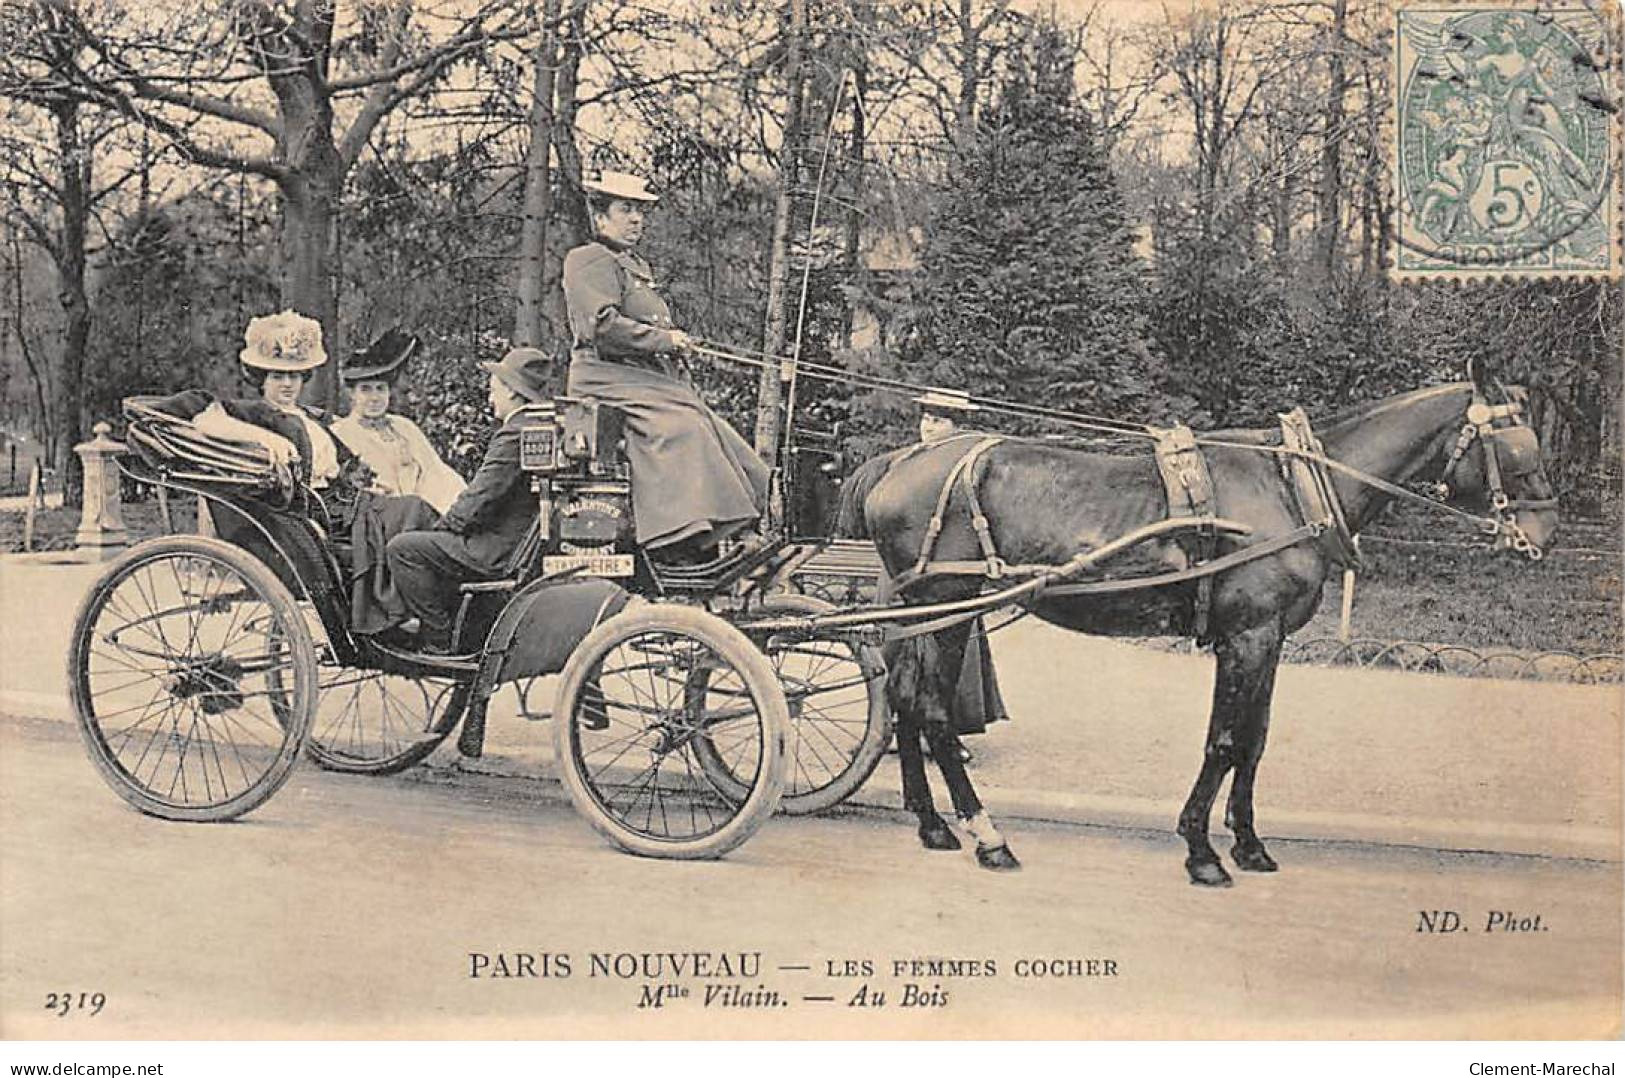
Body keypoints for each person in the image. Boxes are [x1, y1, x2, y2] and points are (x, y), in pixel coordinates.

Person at [149, 309, 440, 633]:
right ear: (262, 379)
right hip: (312, 516)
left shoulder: (311, 416)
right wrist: (262, 436)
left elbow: (345, 465)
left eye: (294, 376)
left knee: (418, 510)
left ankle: (419, 609)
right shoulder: (255, 413)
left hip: (348, 506)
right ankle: (415, 614)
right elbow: (203, 418)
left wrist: (368, 483)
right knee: (414, 514)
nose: (287, 384)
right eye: (277, 376)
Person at [562, 170, 769, 563]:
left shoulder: (633, 265)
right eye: (626, 210)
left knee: (710, 423)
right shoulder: (588, 259)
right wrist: (665, 340)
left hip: (641, 377)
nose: (636, 219)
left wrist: (674, 346)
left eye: (640, 211)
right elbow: (602, 326)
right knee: (682, 427)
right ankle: (679, 537)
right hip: (605, 378)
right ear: (600, 217)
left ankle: (737, 526)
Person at [385, 347, 551, 654]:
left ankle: (439, 641)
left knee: (403, 549)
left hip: (495, 551)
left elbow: (481, 497)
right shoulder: (542, 426)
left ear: (513, 392)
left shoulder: (514, 433)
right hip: (516, 544)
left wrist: (445, 527)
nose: (490, 400)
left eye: (494, 391)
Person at [913, 389, 1012, 760]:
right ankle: (901, 724)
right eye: (925, 419)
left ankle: (946, 730)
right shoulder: (914, 464)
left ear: (957, 427)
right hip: (913, 570)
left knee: (957, 649)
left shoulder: (963, 470)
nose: (928, 428)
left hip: (948, 571)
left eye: (937, 421)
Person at [331, 329, 467, 514]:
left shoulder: (403, 426)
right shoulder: (340, 432)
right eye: (365, 390)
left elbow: (435, 471)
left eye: (380, 389)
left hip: (421, 510)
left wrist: (459, 505)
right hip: (377, 515)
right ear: (352, 394)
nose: (375, 398)